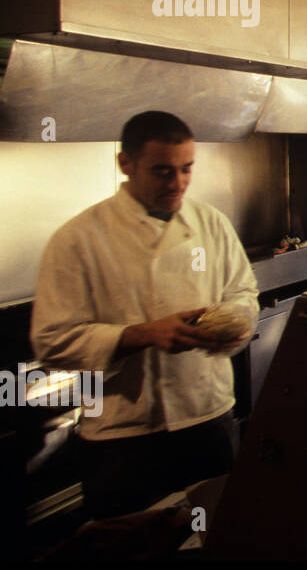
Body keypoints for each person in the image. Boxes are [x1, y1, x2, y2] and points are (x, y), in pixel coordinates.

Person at [30, 111, 259, 520]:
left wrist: (236, 323)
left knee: (215, 539)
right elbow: (51, 340)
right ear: (125, 164)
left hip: (207, 417)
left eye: (187, 169)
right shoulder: (78, 238)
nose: (178, 183)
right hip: (122, 436)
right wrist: (142, 334)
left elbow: (243, 291)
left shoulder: (212, 225)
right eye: (162, 171)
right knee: (129, 552)